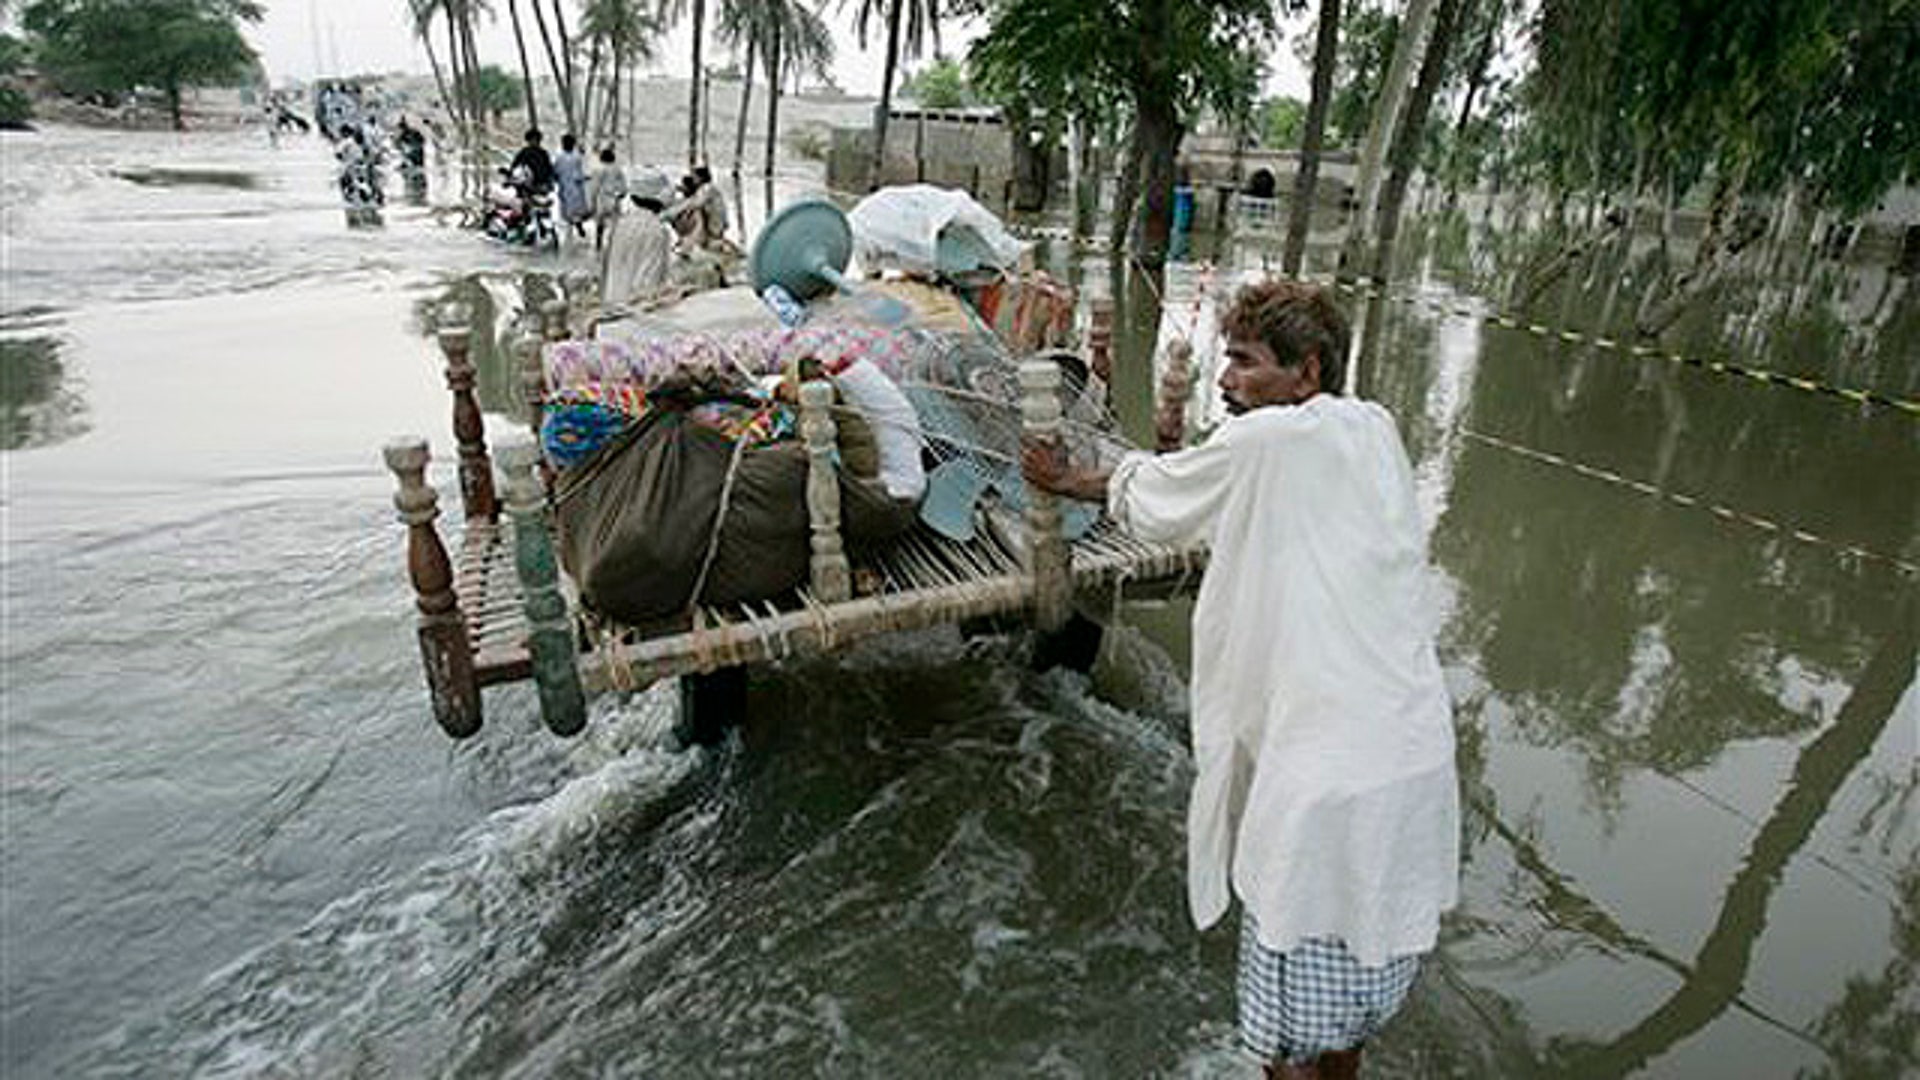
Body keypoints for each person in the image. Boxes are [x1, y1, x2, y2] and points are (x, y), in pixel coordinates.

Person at [1022, 280, 1458, 1079]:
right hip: (1414, 761)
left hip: (1324, 781)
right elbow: (1240, 488)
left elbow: (1155, 496)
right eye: (1227, 359)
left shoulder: (1264, 445)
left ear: (1308, 372)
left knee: (1283, 1030)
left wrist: (1060, 478)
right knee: (1351, 996)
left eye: (1246, 363)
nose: (1226, 379)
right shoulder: (1375, 428)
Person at [588, 145, 628, 250]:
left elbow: (594, 188)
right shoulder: (618, 170)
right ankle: (613, 245)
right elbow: (624, 187)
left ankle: (598, 244)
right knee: (614, 225)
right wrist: (621, 195)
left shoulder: (599, 170)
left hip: (602, 199)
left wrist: (592, 203)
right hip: (614, 199)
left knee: (600, 224)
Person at [553, 132, 590, 238]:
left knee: (572, 210)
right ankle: (574, 228)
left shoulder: (575, 156)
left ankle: (576, 226)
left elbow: (581, 171)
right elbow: (556, 171)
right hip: (567, 186)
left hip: (573, 186)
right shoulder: (561, 156)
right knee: (569, 210)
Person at [508, 128, 556, 194]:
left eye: (535, 140)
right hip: (526, 184)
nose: (533, 142)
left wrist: (548, 182)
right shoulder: (524, 152)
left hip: (540, 185)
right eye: (531, 140)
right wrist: (511, 175)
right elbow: (515, 166)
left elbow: (549, 169)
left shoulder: (543, 153)